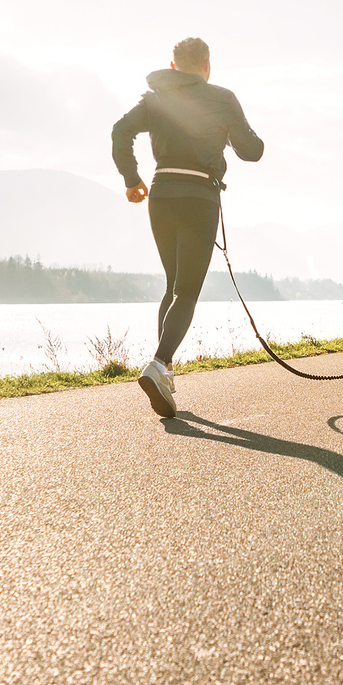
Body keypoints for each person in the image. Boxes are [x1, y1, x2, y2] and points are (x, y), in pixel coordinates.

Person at [112, 37, 264, 417]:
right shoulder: (222, 98)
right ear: (208, 66)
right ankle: (160, 364)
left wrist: (132, 179)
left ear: (174, 65)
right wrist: (229, 131)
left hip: (161, 193)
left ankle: (165, 368)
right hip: (199, 195)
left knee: (172, 285)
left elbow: (119, 132)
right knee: (188, 291)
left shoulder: (155, 99)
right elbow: (253, 151)